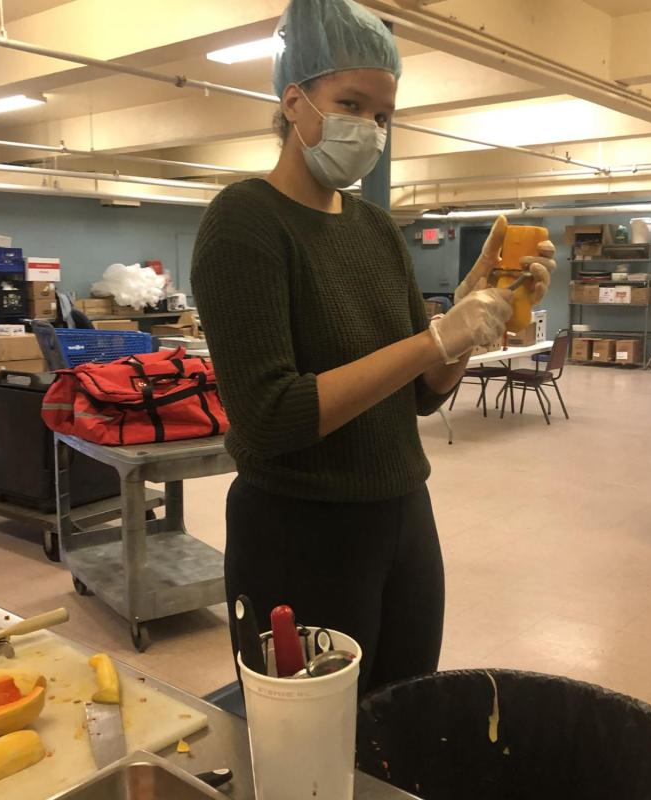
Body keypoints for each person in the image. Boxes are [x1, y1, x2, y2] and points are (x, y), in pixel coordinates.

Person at [192, 0, 556, 694]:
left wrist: (481, 306)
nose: (370, 129)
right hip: (299, 529)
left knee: (408, 713)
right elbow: (270, 417)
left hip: (402, 513)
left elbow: (422, 393)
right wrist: (434, 338)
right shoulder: (244, 222)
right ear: (293, 102)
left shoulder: (376, 229)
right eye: (351, 104)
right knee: (316, 735)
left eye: (383, 115)